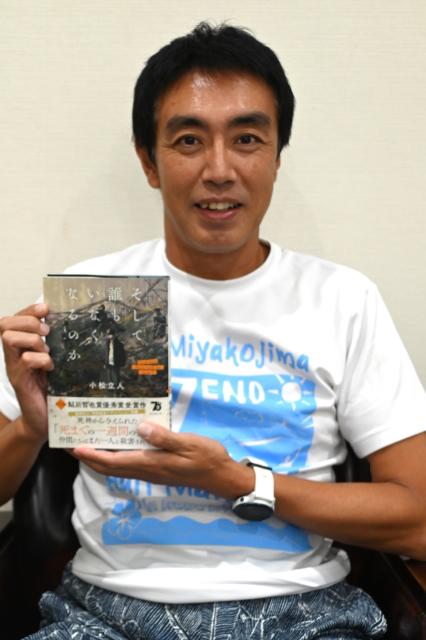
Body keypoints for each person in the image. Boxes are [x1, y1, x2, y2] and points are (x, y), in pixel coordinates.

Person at [0, 22, 425, 640]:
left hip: (302, 615)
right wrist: (30, 428)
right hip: (106, 614)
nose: (220, 169)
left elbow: (418, 517)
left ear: (276, 157)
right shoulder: (92, 300)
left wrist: (239, 482)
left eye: (247, 139)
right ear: (149, 161)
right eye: (189, 140)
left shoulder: (342, 300)